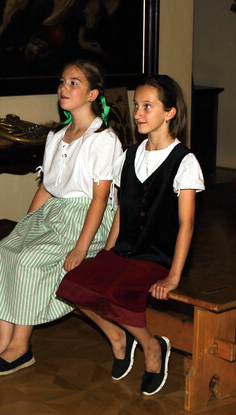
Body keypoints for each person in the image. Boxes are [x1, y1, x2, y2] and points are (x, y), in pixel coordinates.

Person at [0, 59, 124, 376]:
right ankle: (4, 342)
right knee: (5, 251)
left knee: (28, 261)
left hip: (86, 219)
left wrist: (81, 248)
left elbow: (100, 199)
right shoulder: (57, 135)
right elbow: (47, 188)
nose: (64, 87)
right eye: (62, 81)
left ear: (92, 94)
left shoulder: (102, 139)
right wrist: (24, 228)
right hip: (55, 214)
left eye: (74, 82)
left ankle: (21, 347)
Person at [56, 75, 205, 395]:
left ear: (169, 112)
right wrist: (107, 252)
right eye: (136, 105)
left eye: (148, 106)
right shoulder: (129, 155)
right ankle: (118, 337)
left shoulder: (184, 161)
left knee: (117, 293)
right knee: (72, 286)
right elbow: (123, 210)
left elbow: (187, 225)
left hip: (158, 255)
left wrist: (174, 276)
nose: (138, 113)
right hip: (125, 250)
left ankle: (151, 347)